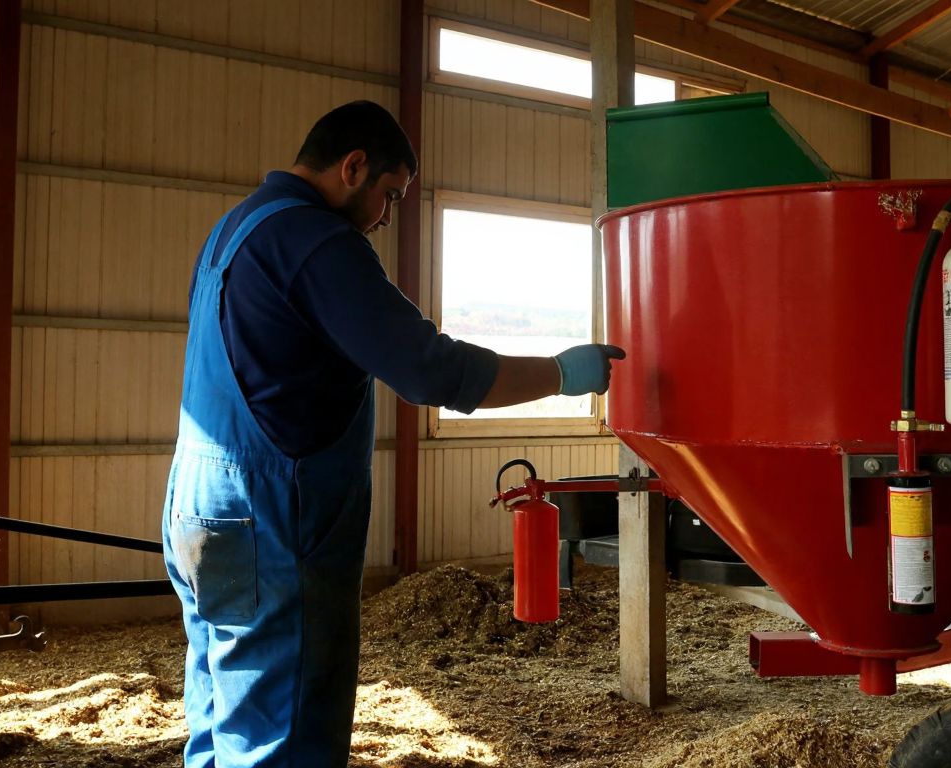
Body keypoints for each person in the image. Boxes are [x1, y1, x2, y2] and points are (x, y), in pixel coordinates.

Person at [163, 100, 625, 768]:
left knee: (221, 708)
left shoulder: (232, 232)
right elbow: (430, 370)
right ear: (354, 167)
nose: (385, 217)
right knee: (281, 731)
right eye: (390, 195)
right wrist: (558, 372)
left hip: (200, 506)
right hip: (271, 521)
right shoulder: (317, 241)